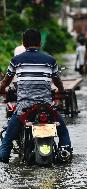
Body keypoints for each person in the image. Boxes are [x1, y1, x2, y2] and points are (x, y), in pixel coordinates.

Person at [0, 28, 72, 163]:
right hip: (46, 107)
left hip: (24, 108)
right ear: (40, 43)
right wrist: (61, 92)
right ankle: (65, 150)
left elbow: (6, 82)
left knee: (8, 137)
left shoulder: (16, 60)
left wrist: (2, 88)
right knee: (63, 131)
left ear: (24, 44)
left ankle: (4, 154)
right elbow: (57, 82)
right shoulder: (50, 60)